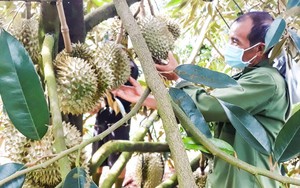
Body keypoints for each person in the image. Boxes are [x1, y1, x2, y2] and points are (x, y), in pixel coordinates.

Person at [112, 11, 291, 187]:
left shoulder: (266, 81)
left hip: (249, 182)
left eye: (235, 41)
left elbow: (211, 105)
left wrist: (180, 76)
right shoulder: (249, 76)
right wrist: (150, 99)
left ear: (259, 48)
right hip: (230, 178)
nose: (229, 46)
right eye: (230, 39)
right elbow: (206, 112)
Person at [92, 60, 139, 188]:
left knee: (118, 163)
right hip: (101, 119)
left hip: (120, 121)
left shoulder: (131, 66)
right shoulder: (104, 64)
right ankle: (93, 185)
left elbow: (127, 86)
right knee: (97, 161)